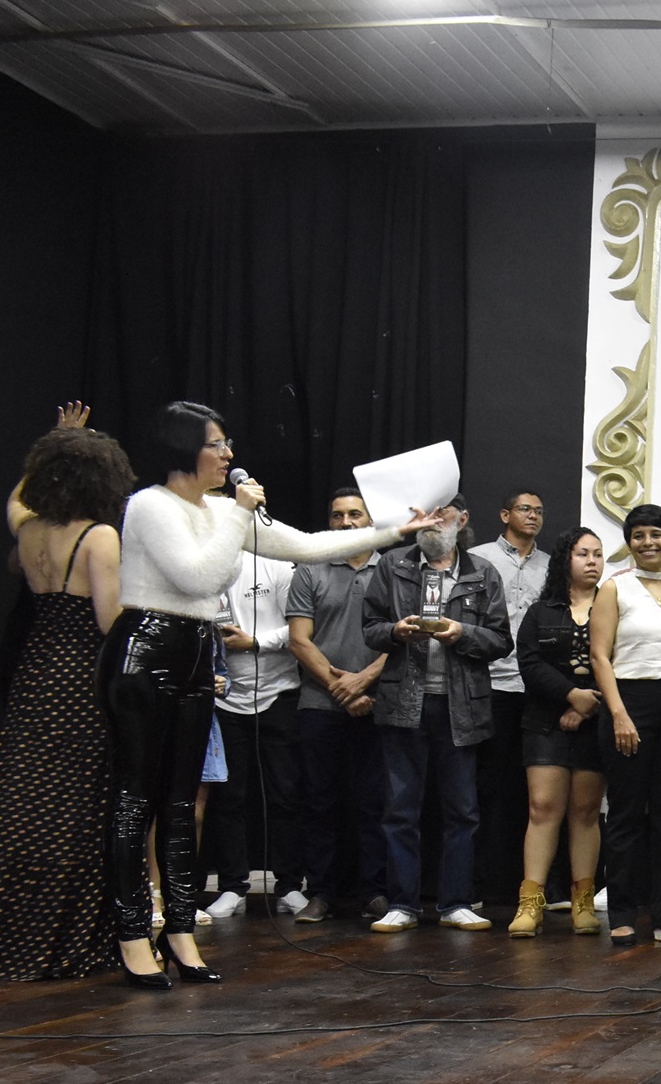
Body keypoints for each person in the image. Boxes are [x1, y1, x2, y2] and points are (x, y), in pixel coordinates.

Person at [103, 401, 439, 985]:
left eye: (227, 443)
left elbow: (305, 546)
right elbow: (200, 576)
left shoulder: (220, 510)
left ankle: (179, 932)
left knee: (180, 803)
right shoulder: (151, 505)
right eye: (216, 444)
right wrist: (239, 513)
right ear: (184, 448)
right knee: (138, 800)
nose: (228, 454)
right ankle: (133, 935)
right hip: (146, 649)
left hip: (195, 650)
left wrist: (395, 532)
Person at [0, 424, 130, 981]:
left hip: (36, 671)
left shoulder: (28, 530)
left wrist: (50, 446)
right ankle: (55, 934)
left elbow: (15, 501)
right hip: (79, 678)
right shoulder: (99, 536)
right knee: (74, 804)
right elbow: (111, 622)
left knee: (19, 801)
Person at [361, 495, 512, 933]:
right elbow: (369, 628)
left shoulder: (483, 572)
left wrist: (463, 633)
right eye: (425, 513)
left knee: (462, 810)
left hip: (460, 706)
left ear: (461, 519)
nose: (432, 521)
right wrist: (395, 631)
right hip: (403, 702)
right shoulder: (393, 565)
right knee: (399, 810)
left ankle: (456, 903)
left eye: (442, 513)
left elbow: (501, 640)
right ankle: (402, 904)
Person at [589, 503, 661, 945]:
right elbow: (600, 656)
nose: (647, 542)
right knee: (626, 815)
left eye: (656, 534)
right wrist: (618, 713)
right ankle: (622, 913)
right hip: (628, 704)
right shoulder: (614, 587)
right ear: (629, 543)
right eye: (638, 535)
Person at [284, 487, 387, 924]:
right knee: (320, 802)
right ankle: (321, 893)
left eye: (355, 515)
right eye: (338, 515)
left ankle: (375, 892)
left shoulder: (393, 569)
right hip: (319, 704)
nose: (346, 522)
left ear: (371, 520)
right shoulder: (310, 569)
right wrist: (342, 688)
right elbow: (298, 640)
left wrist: (363, 682)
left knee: (375, 803)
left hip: (379, 703)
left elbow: (405, 638)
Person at [509, 527, 608, 938]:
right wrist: (571, 696)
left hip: (597, 721)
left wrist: (587, 706)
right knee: (542, 808)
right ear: (565, 559)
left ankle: (583, 903)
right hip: (545, 720)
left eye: (598, 554)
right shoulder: (541, 611)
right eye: (583, 553)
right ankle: (530, 904)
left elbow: (622, 660)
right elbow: (530, 664)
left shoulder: (613, 606)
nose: (592, 561)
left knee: (586, 812)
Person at [204, 539, 302, 918]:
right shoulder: (199, 571)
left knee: (285, 795)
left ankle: (290, 885)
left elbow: (299, 628)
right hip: (224, 700)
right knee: (228, 798)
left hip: (278, 694)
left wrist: (255, 642)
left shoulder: (274, 565)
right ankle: (233, 887)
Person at [467, 490, 550, 909]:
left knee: (532, 793)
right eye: (524, 509)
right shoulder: (477, 559)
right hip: (490, 686)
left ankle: (530, 885)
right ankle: (486, 884)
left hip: (535, 689)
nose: (533, 516)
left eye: (538, 511)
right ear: (505, 514)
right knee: (489, 787)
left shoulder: (551, 565)